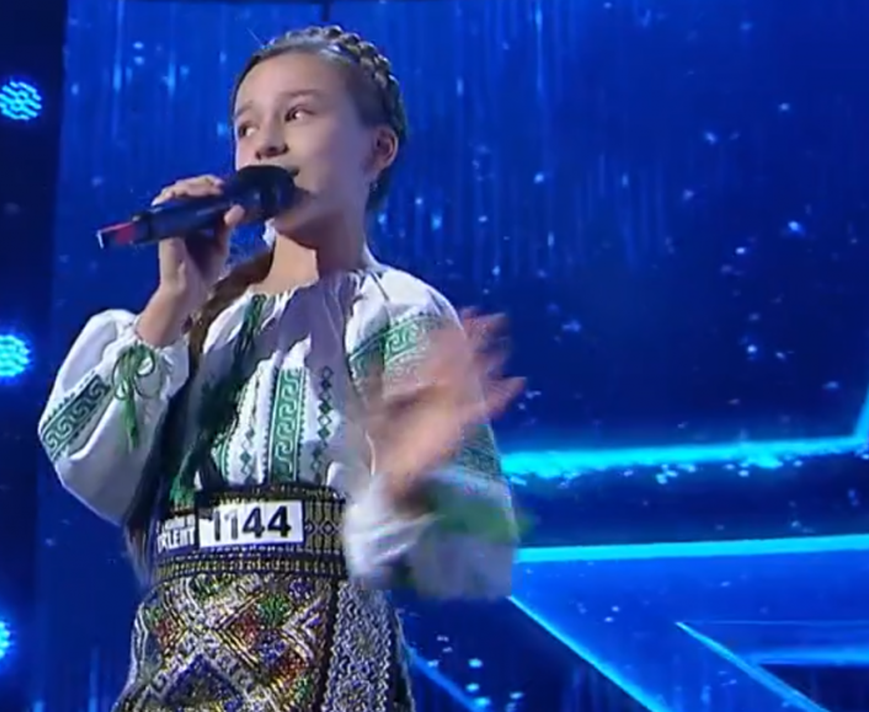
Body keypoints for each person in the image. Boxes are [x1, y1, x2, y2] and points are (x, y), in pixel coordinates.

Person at [39, 25, 525, 712]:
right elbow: (91, 467)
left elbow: (476, 555)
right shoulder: (204, 319)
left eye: (297, 114)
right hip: (174, 669)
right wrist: (174, 298)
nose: (265, 144)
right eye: (246, 127)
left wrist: (412, 477)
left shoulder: (398, 311)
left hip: (324, 675)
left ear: (377, 149)